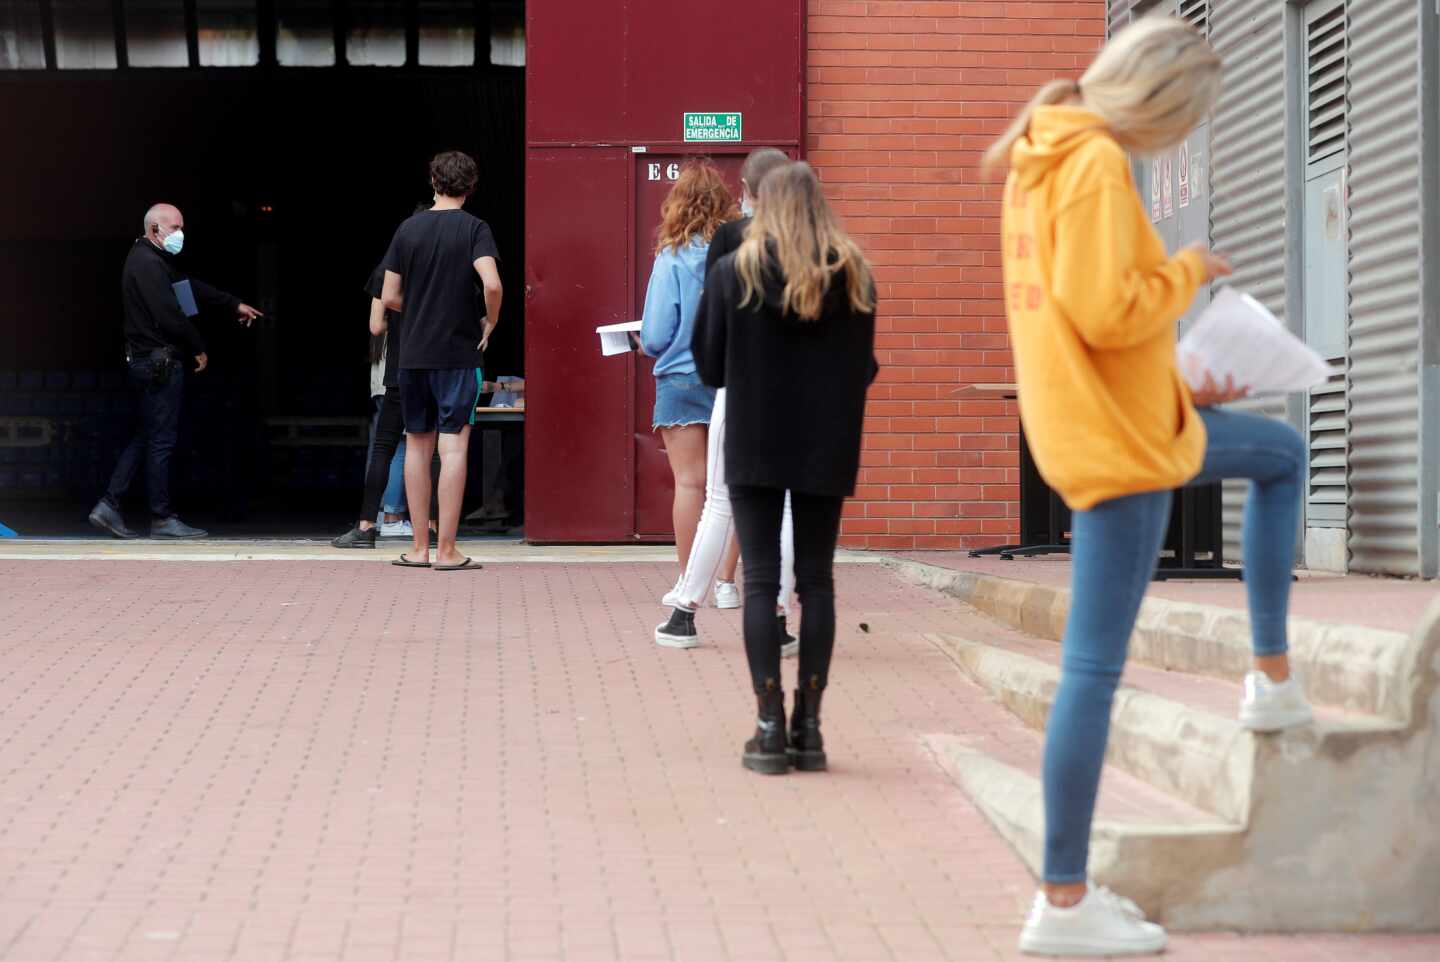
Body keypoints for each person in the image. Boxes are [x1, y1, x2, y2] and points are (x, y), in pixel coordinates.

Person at [982, 18, 1314, 957]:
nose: (1179, 137)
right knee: (1091, 670)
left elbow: (1085, 325)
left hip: (1111, 419)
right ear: (1157, 99)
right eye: (1186, 117)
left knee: (1278, 456)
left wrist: (1181, 377)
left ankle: (1271, 679)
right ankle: (1063, 899)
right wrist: (1189, 272)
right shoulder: (1090, 163)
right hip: (1120, 444)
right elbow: (1107, 306)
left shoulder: (1047, 153)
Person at [693, 162, 878, 776]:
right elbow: (865, 367)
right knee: (817, 582)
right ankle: (811, 729)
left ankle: (769, 727)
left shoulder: (732, 272)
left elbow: (710, 366)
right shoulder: (853, 272)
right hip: (826, 441)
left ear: (760, 202)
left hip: (756, 439)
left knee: (762, 584)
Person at [654, 148, 799, 653]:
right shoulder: (818, 244)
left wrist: (716, 375)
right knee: (781, 508)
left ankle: (684, 614)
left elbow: (712, 321)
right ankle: (777, 620)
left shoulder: (731, 238)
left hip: (739, 385)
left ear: (749, 192)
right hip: (794, 390)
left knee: (719, 500)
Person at [88, 203, 262, 540]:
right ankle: (162, 517)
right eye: (175, 227)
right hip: (159, 363)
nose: (181, 234)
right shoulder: (147, 263)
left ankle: (109, 505)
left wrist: (231, 303)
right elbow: (170, 315)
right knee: (161, 441)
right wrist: (198, 346)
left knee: (148, 435)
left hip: (149, 362)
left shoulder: (156, 261)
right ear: (155, 229)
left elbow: (188, 286)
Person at [381, 151, 501, 571]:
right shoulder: (475, 229)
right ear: (471, 187)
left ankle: (418, 548)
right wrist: (490, 320)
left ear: (433, 180)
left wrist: (419, 309)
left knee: (416, 445)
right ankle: (448, 550)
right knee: (454, 448)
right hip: (457, 354)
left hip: (413, 353)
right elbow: (492, 282)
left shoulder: (408, 230)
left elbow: (390, 296)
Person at [638, 161, 735, 592]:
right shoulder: (739, 255)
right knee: (733, 487)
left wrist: (642, 343)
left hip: (680, 377)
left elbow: (656, 335)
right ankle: (728, 583)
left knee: (690, 483)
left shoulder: (671, 258)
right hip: (733, 379)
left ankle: (687, 581)